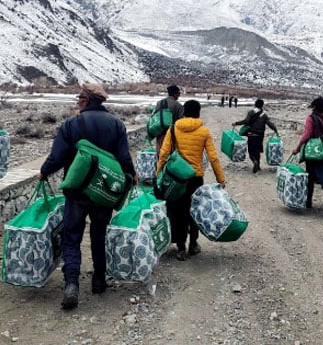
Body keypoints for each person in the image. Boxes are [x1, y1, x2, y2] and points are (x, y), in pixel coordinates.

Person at [38, 83, 137, 310]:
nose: (77, 100)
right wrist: (131, 175)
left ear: (88, 100)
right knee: (98, 234)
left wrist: (44, 171)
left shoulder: (72, 124)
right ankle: (99, 280)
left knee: (71, 237)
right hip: (102, 191)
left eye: (80, 97)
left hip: (77, 191)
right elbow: (123, 157)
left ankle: (71, 284)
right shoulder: (116, 124)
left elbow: (58, 156)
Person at [156, 100, 226, 261]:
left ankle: (181, 247)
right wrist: (220, 179)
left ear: (184, 112)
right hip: (195, 178)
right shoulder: (204, 131)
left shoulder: (173, 129)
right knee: (194, 211)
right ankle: (193, 244)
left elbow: (164, 153)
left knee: (178, 212)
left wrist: (158, 174)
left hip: (176, 178)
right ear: (199, 112)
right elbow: (213, 157)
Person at [291, 96, 323, 219]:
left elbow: (306, 135)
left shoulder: (310, 119)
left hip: (313, 153)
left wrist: (297, 148)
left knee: (310, 177)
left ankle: (308, 202)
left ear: (314, 106)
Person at [231, 99, 278, 173]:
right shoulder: (264, 115)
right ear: (262, 105)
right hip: (260, 135)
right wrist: (275, 129)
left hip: (252, 134)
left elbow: (246, 121)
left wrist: (236, 123)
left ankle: (254, 162)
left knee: (251, 151)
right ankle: (258, 165)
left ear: (255, 104)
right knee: (257, 151)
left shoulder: (251, 112)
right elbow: (270, 124)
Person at [154, 85, 184, 157]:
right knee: (171, 157)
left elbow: (155, 117)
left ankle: (160, 168)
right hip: (172, 135)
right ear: (175, 93)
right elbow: (181, 122)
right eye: (179, 93)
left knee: (160, 155)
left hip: (160, 134)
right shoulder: (178, 106)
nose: (179, 95)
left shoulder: (159, 103)